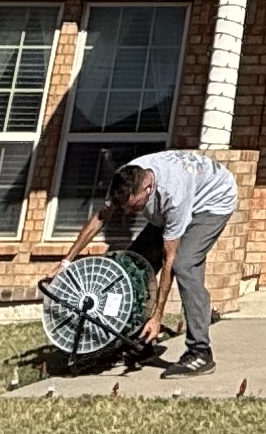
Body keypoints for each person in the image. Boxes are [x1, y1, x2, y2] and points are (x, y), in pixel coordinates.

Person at [72, 144, 238, 375]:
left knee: (185, 265)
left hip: (213, 200)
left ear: (148, 189)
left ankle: (200, 352)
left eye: (135, 206)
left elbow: (169, 259)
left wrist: (157, 317)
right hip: (183, 195)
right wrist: (66, 261)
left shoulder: (173, 194)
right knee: (134, 265)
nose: (129, 212)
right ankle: (138, 341)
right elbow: (100, 217)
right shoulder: (125, 179)